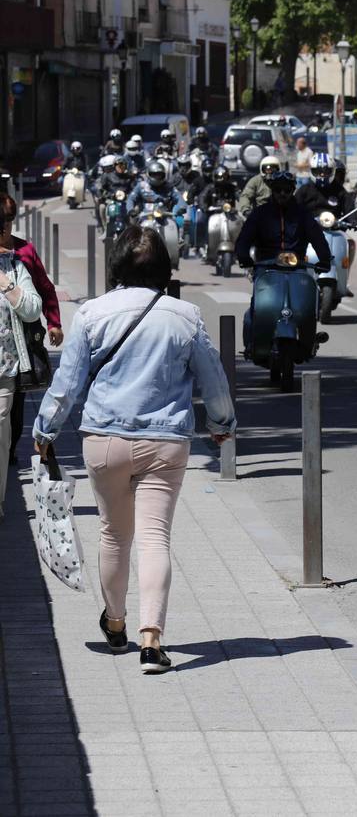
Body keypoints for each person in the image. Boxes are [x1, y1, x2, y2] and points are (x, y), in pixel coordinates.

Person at [33, 227, 235, 674]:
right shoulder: (186, 315)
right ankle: (152, 641)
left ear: (117, 264)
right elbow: (213, 377)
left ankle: (117, 624)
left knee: (113, 534)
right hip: (166, 442)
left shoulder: (91, 313)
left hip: (103, 440)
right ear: (164, 267)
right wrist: (221, 425)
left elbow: (67, 384)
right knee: (155, 537)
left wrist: (45, 430)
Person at [0, 194, 63, 466]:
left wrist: (54, 322)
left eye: (9, 221)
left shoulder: (24, 252)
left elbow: (44, 287)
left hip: (23, 336)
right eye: (2, 221)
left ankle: (11, 447)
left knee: (18, 395)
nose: (6, 227)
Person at [236, 170, 331, 271]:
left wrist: (325, 259)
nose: (282, 193)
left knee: (308, 286)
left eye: (287, 190)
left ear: (293, 190)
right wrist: (243, 256)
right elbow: (245, 237)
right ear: (272, 190)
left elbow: (317, 237)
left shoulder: (303, 214)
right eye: (278, 189)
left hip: (297, 269)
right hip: (266, 269)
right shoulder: (260, 213)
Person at [295, 152, 356, 224]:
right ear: (311, 171)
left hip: (334, 229)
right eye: (318, 171)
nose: (322, 174)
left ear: (333, 171)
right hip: (308, 231)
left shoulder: (339, 190)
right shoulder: (304, 190)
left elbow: (349, 207)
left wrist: (354, 220)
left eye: (326, 171)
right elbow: (294, 208)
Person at [197, 165, 239, 266]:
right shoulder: (210, 187)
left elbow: (240, 196)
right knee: (200, 221)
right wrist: (204, 207)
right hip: (212, 213)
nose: (221, 179)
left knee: (242, 223)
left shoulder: (232, 188)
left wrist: (243, 205)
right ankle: (203, 245)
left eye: (223, 177)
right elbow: (202, 197)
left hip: (230, 214)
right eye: (218, 176)